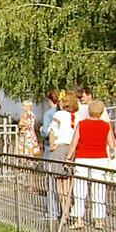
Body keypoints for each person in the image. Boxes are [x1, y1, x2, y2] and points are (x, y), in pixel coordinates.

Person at [67, 99, 116, 230]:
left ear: (89, 110)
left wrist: (68, 157)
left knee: (79, 188)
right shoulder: (106, 126)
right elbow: (112, 145)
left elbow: (74, 142)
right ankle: (99, 220)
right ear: (101, 112)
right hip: (100, 158)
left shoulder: (82, 124)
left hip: (82, 158)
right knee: (99, 189)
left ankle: (78, 219)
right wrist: (111, 153)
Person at [48, 91, 80, 220]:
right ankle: (69, 207)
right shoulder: (77, 117)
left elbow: (52, 131)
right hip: (72, 149)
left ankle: (64, 211)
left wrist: (52, 146)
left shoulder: (59, 115)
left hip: (60, 148)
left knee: (60, 182)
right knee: (68, 181)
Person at [39, 91, 61, 220]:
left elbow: (46, 132)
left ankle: (52, 211)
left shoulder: (49, 114)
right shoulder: (66, 114)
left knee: (50, 179)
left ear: (49, 100)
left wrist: (42, 130)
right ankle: (62, 209)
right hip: (63, 147)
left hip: (50, 147)